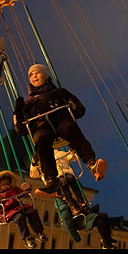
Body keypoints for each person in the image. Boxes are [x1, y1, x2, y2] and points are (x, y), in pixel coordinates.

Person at [13, 64, 107, 195]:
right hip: (42, 126)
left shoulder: (58, 92)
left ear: (45, 76)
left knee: (70, 128)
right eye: (31, 75)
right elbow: (21, 130)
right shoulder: (28, 103)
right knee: (40, 139)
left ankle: (92, 164)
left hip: (61, 120)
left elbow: (80, 110)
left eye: (37, 73)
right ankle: (51, 179)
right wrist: (17, 112)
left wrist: (70, 102)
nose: (34, 76)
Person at [0, 170, 48, 249]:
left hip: (19, 208)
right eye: (3, 185)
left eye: (7, 184)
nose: (6, 186)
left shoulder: (14, 190)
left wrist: (27, 188)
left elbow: (24, 194)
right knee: (19, 217)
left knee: (32, 212)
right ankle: (27, 238)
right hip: (8, 213)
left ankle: (39, 232)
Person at [29, 148, 89, 215]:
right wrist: (34, 163)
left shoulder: (59, 154)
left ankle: (80, 201)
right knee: (64, 185)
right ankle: (73, 205)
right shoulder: (41, 161)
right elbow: (34, 174)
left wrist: (72, 152)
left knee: (70, 179)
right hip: (57, 178)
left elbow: (70, 157)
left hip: (66, 173)